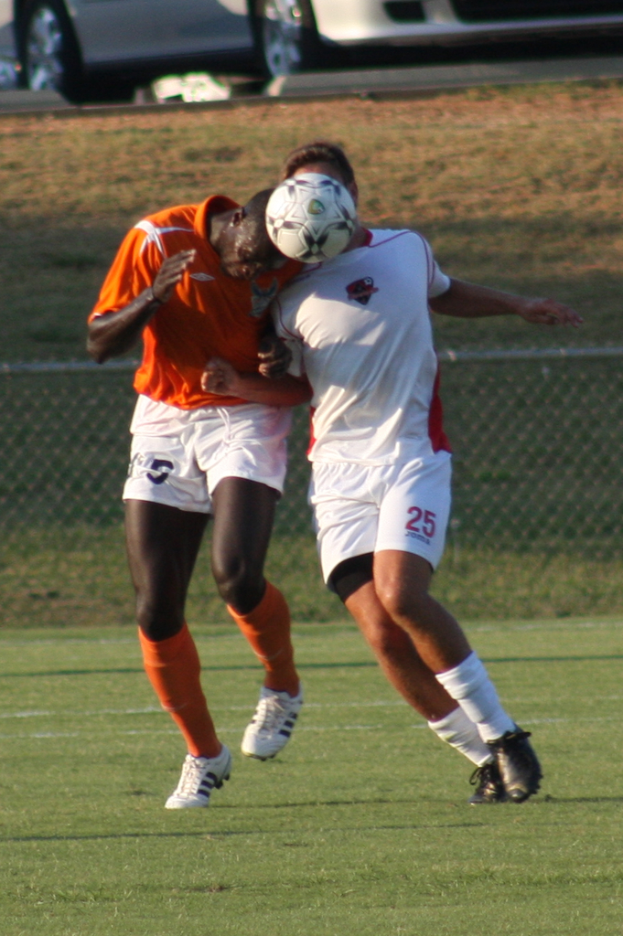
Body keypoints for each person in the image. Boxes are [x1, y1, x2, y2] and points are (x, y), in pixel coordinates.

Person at [202, 141, 583, 804]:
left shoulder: (405, 246)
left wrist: (517, 304)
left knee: (402, 596)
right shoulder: (281, 295)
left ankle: (506, 737)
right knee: (380, 631)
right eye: (299, 188)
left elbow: (446, 292)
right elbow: (295, 390)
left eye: (324, 186)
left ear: (349, 197)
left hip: (411, 455)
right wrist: (241, 379)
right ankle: (483, 759)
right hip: (339, 474)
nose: (311, 199)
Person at [87, 187, 307, 810]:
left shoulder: (295, 255)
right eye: (248, 260)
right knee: (156, 606)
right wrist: (153, 297)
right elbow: (100, 342)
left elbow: (302, 351)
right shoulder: (157, 238)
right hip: (164, 415)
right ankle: (205, 755)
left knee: (236, 575)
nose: (255, 275)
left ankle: (283, 685)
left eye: (269, 268)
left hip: (243, 411)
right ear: (236, 220)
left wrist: (279, 352)